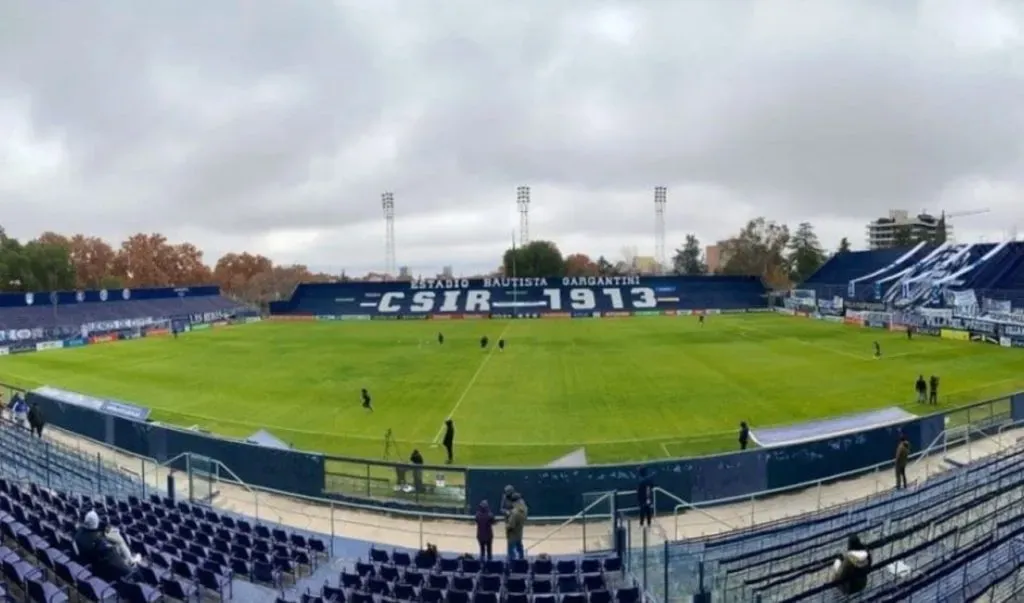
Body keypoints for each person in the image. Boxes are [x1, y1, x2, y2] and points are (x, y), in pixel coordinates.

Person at [73, 510, 135, 582]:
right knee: (120, 545)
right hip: (103, 572)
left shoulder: (78, 533)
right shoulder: (100, 544)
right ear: (96, 523)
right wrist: (130, 571)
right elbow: (120, 565)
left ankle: (130, 559)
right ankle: (131, 561)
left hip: (87, 564)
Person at [505, 492, 528, 560]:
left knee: (511, 550)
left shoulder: (515, 513)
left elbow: (511, 525)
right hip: (519, 531)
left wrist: (507, 525)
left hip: (513, 534)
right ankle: (521, 560)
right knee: (519, 547)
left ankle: (512, 562)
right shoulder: (524, 508)